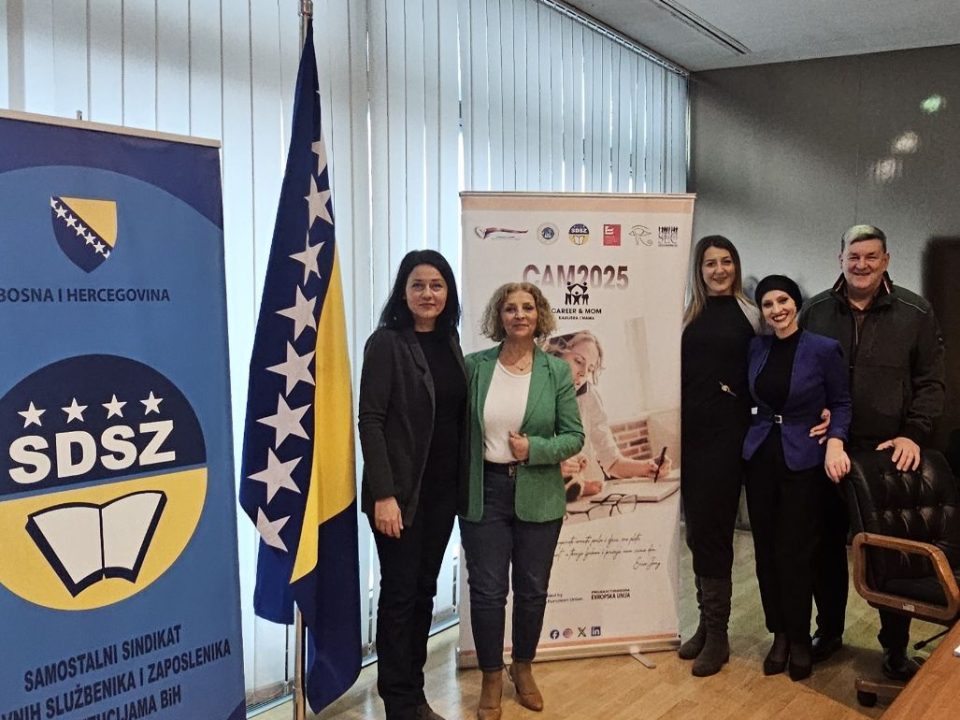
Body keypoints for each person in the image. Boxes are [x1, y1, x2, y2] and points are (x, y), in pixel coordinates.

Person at [800, 224, 946, 680]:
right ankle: (828, 632)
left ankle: (895, 648)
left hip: (887, 454)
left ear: (886, 260)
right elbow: (799, 373)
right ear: (840, 259)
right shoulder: (815, 311)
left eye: (870, 256)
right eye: (853, 256)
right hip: (829, 450)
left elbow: (932, 382)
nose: (861, 264)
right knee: (824, 547)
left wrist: (913, 434)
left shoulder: (915, 311)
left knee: (891, 554)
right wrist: (812, 413)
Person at [459, 282, 584, 720]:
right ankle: (491, 675)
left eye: (527, 307)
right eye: (510, 308)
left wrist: (535, 449)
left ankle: (524, 666)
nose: (519, 315)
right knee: (488, 591)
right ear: (499, 316)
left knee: (532, 589)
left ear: (539, 314)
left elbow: (574, 437)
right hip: (485, 492)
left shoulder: (556, 372)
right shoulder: (474, 367)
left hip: (539, 491)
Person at [358, 250, 466, 720]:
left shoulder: (450, 341)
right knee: (400, 596)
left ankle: (414, 693)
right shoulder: (386, 343)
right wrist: (384, 495)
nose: (428, 294)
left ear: (448, 293)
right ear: (403, 292)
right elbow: (370, 420)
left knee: (423, 593)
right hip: (399, 497)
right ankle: (398, 703)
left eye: (437, 285)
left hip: (442, 494)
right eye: (418, 284)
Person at [743, 275, 852, 681]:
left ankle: (802, 638)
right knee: (766, 551)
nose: (777, 309)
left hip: (804, 459)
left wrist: (835, 436)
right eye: (768, 304)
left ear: (797, 303)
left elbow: (841, 402)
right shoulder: (756, 348)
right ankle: (780, 635)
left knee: (796, 552)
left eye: (783, 300)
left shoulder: (823, 349)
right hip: (760, 457)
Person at [542, 330, 672, 500]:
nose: (583, 374)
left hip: (592, 501)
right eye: (578, 361)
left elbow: (612, 461)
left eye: (590, 369)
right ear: (555, 355)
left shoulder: (588, 396)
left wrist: (648, 467)